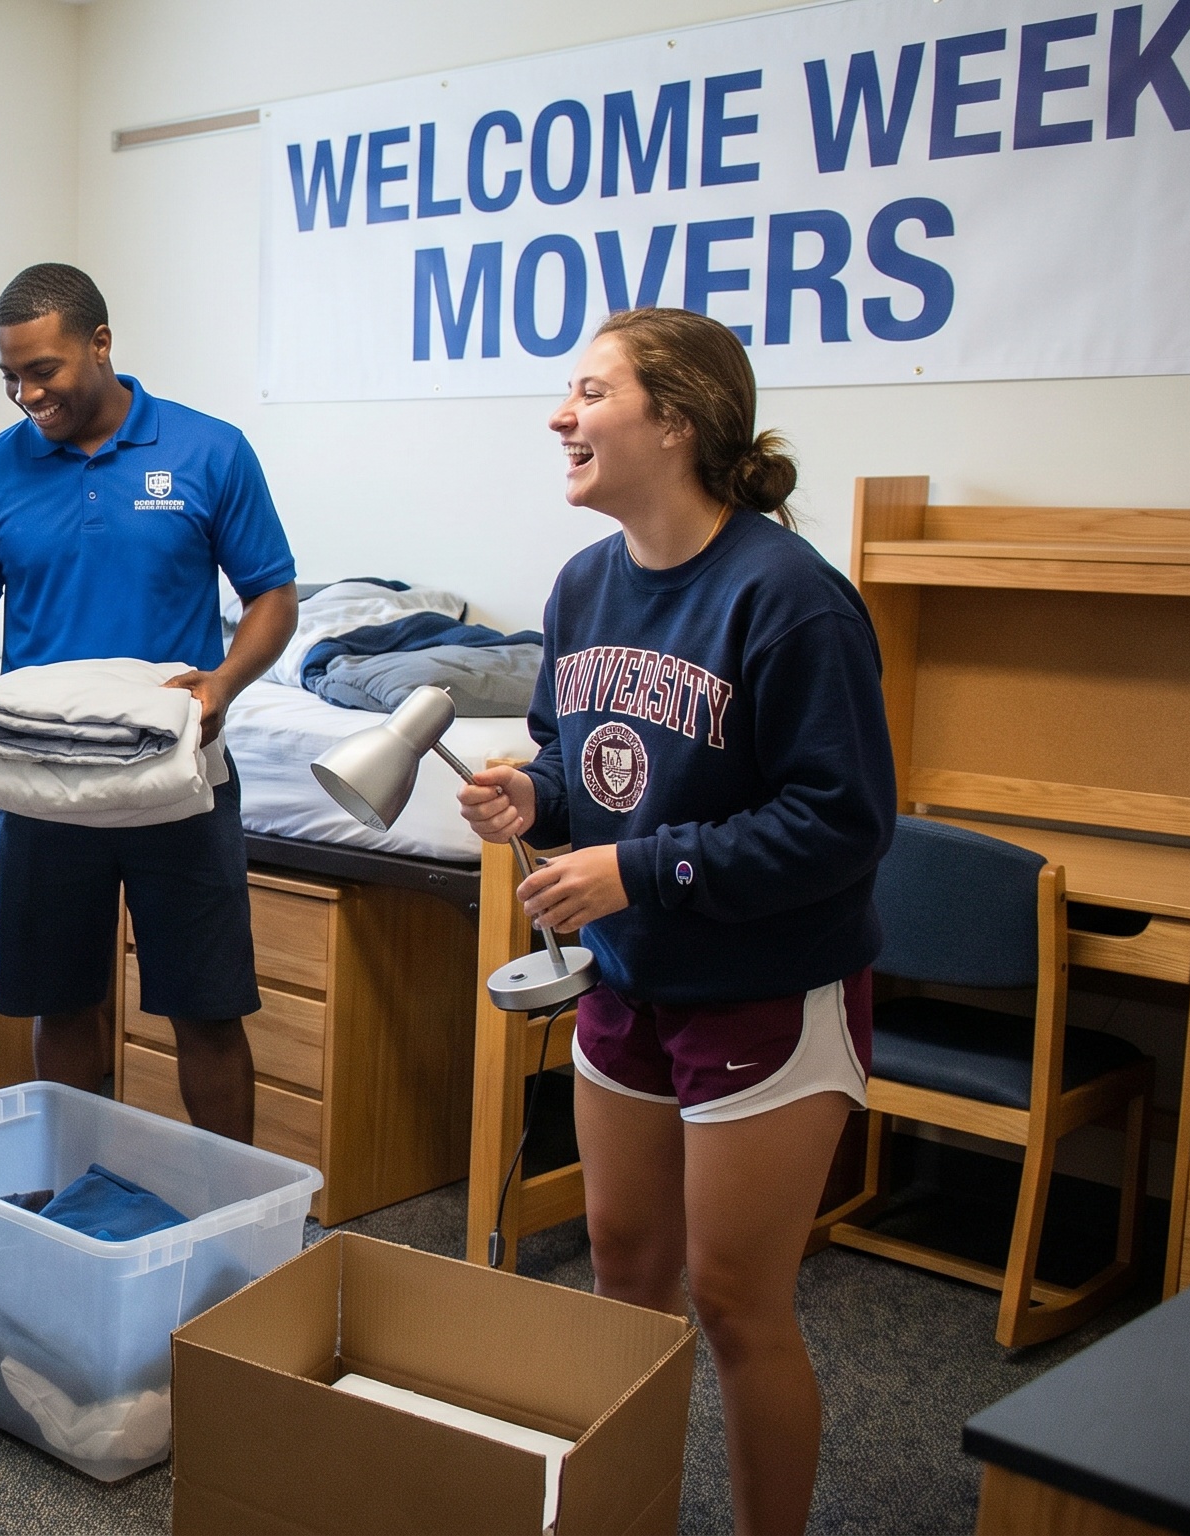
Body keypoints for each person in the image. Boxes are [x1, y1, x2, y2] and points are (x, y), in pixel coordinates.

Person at [456, 306, 893, 1536]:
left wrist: (635, 872)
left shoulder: (790, 598)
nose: (559, 416)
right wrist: (529, 793)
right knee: (622, 1276)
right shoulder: (584, 583)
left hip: (766, 988)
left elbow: (842, 824)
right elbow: (582, 761)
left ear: (679, 423)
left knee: (736, 1302)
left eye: (590, 394)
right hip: (625, 981)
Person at [0, 264, 298, 1142]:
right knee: (61, 1005)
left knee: (206, 1010)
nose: (26, 395)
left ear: (100, 344)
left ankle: (226, 1215)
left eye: (43, 371)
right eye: (9, 377)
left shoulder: (209, 450)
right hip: (46, 775)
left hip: (178, 773)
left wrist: (222, 683)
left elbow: (273, 597)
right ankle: (72, 1200)